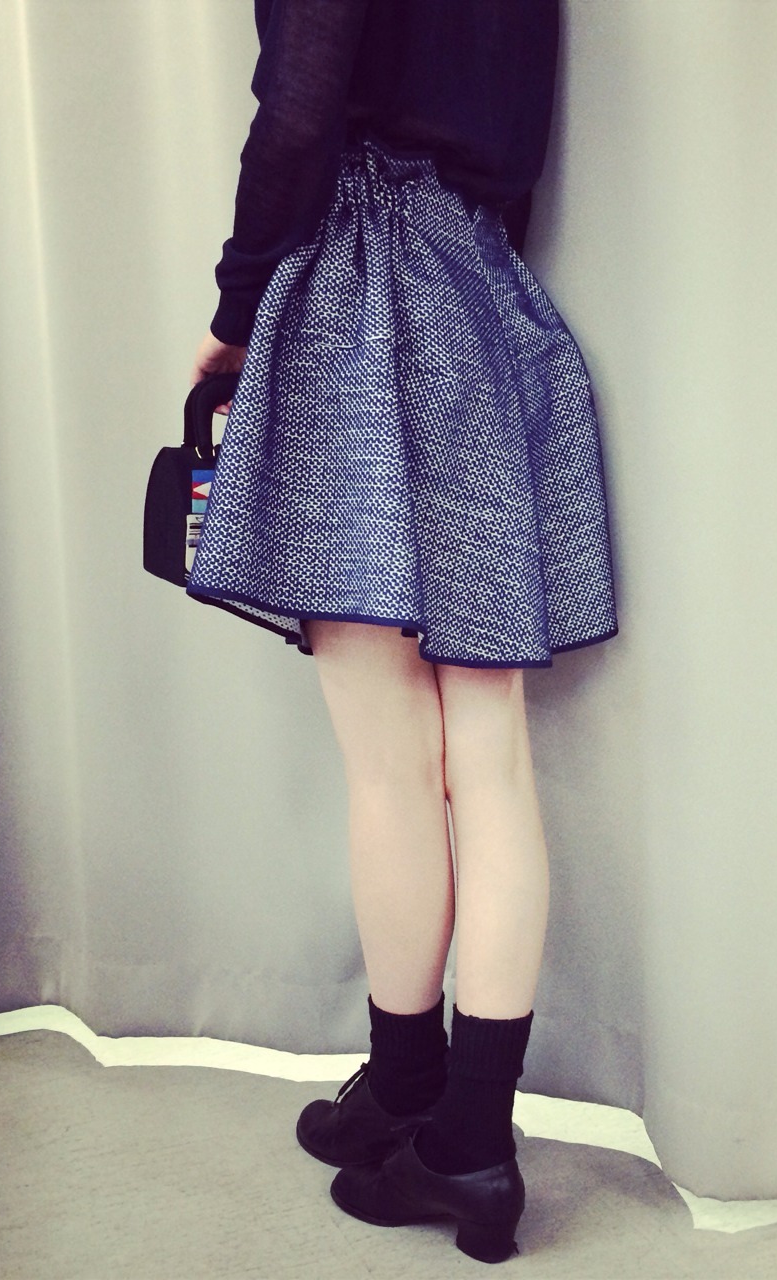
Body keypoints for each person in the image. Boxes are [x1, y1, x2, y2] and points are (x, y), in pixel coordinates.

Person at [184, 0, 618, 1263]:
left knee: (388, 761)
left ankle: (428, 1100)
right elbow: (519, 145)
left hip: (357, 287)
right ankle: (447, 1117)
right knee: (489, 756)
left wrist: (235, 310)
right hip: (482, 296)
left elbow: (298, 114)